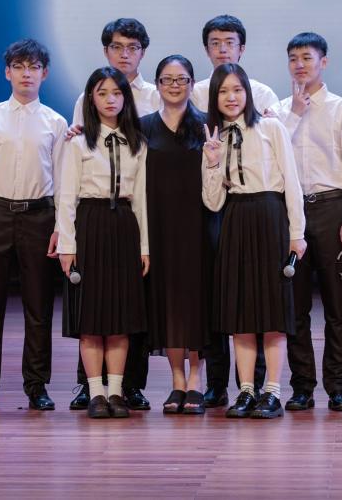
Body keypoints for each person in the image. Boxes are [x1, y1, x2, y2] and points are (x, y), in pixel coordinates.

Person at [0, 38, 67, 412]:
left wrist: (61, 228)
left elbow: (63, 181)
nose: (26, 74)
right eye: (19, 67)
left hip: (39, 216)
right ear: (7, 73)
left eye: (33, 67)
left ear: (44, 73)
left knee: (39, 307)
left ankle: (36, 386)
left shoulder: (56, 122)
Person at [201, 63, 306, 419]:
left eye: (237, 90)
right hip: (235, 218)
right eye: (223, 91)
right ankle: (246, 390)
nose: (231, 97)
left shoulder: (271, 127)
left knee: (272, 311)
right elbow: (213, 202)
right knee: (241, 312)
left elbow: (291, 182)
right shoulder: (214, 138)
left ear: (247, 93)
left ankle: (272, 391)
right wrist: (212, 162)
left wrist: (297, 233)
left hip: (271, 216)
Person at [272, 32, 342, 413]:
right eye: (293, 58)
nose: (300, 65)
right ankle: (302, 387)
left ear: (323, 62)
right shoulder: (279, 112)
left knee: (337, 306)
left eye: (307, 58)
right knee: (294, 308)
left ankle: (339, 387)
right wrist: (294, 113)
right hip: (290, 212)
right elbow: (272, 158)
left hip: (332, 209)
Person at [68, 18, 158, 412]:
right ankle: (92, 389)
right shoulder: (80, 135)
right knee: (91, 311)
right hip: (90, 222)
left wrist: (145, 245)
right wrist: (66, 241)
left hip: (127, 223)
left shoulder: (149, 108)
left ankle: (123, 388)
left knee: (125, 312)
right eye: (117, 47)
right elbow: (67, 195)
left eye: (132, 47)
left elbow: (140, 196)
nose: (125, 54)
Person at [190, 15, 278, 407]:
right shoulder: (195, 92)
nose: (222, 48)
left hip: (253, 207)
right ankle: (217, 382)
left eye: (230, 42)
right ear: (206, 49)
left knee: (255, 295)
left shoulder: (262, 92)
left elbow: (273, 150)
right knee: (218, 293)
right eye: (215, 42)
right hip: (210, 202)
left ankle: (256, 384)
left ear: (242, 48)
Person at [140, 55, 212, 415]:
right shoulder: (142, 127)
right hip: (159, 227)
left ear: (192, 84)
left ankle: (196, 380)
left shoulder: (207, 124)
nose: (174, 85)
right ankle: (176, 381)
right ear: (157, 85)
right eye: (167, 79)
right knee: (167, 303)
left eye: (181, 79)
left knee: (196, 303)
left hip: (200, 226)